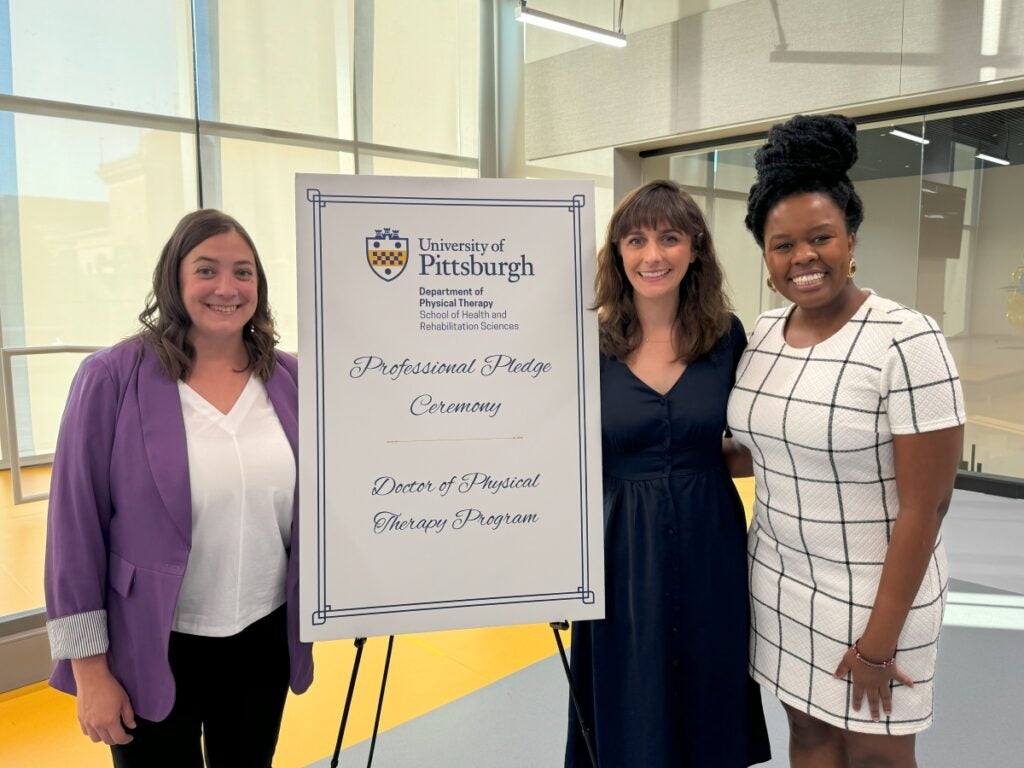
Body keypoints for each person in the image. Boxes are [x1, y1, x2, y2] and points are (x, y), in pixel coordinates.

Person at [726, 114, 965, 767]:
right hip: (779, 581)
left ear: (850, 240)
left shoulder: (906, 340)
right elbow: (763, 444)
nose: (803, 256)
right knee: (807, 737)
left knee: (875, 754)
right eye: (782, 244)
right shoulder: (765, 339)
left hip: (880, 593)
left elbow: (928, 506)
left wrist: (878, 645)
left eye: (821, 237)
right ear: (766, 256)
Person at [44, 209, 313, 767]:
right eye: (206, 270)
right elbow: (74, 526)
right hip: (152, 644)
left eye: (243, 272)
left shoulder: (290, 380)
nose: (226, 287)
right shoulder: (112, 379)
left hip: (262, 639)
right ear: (175, 280)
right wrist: (89, 670)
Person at [565, 180, 771, 767]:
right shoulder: (587, 343)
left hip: (712, 539)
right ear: (617, 252)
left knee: (710, 679)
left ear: (695, 249)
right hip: (618, 545)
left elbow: (741, 441)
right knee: (630, 688)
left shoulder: (726, 336)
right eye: (636, 239)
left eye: (669, 237)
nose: (652, 255)